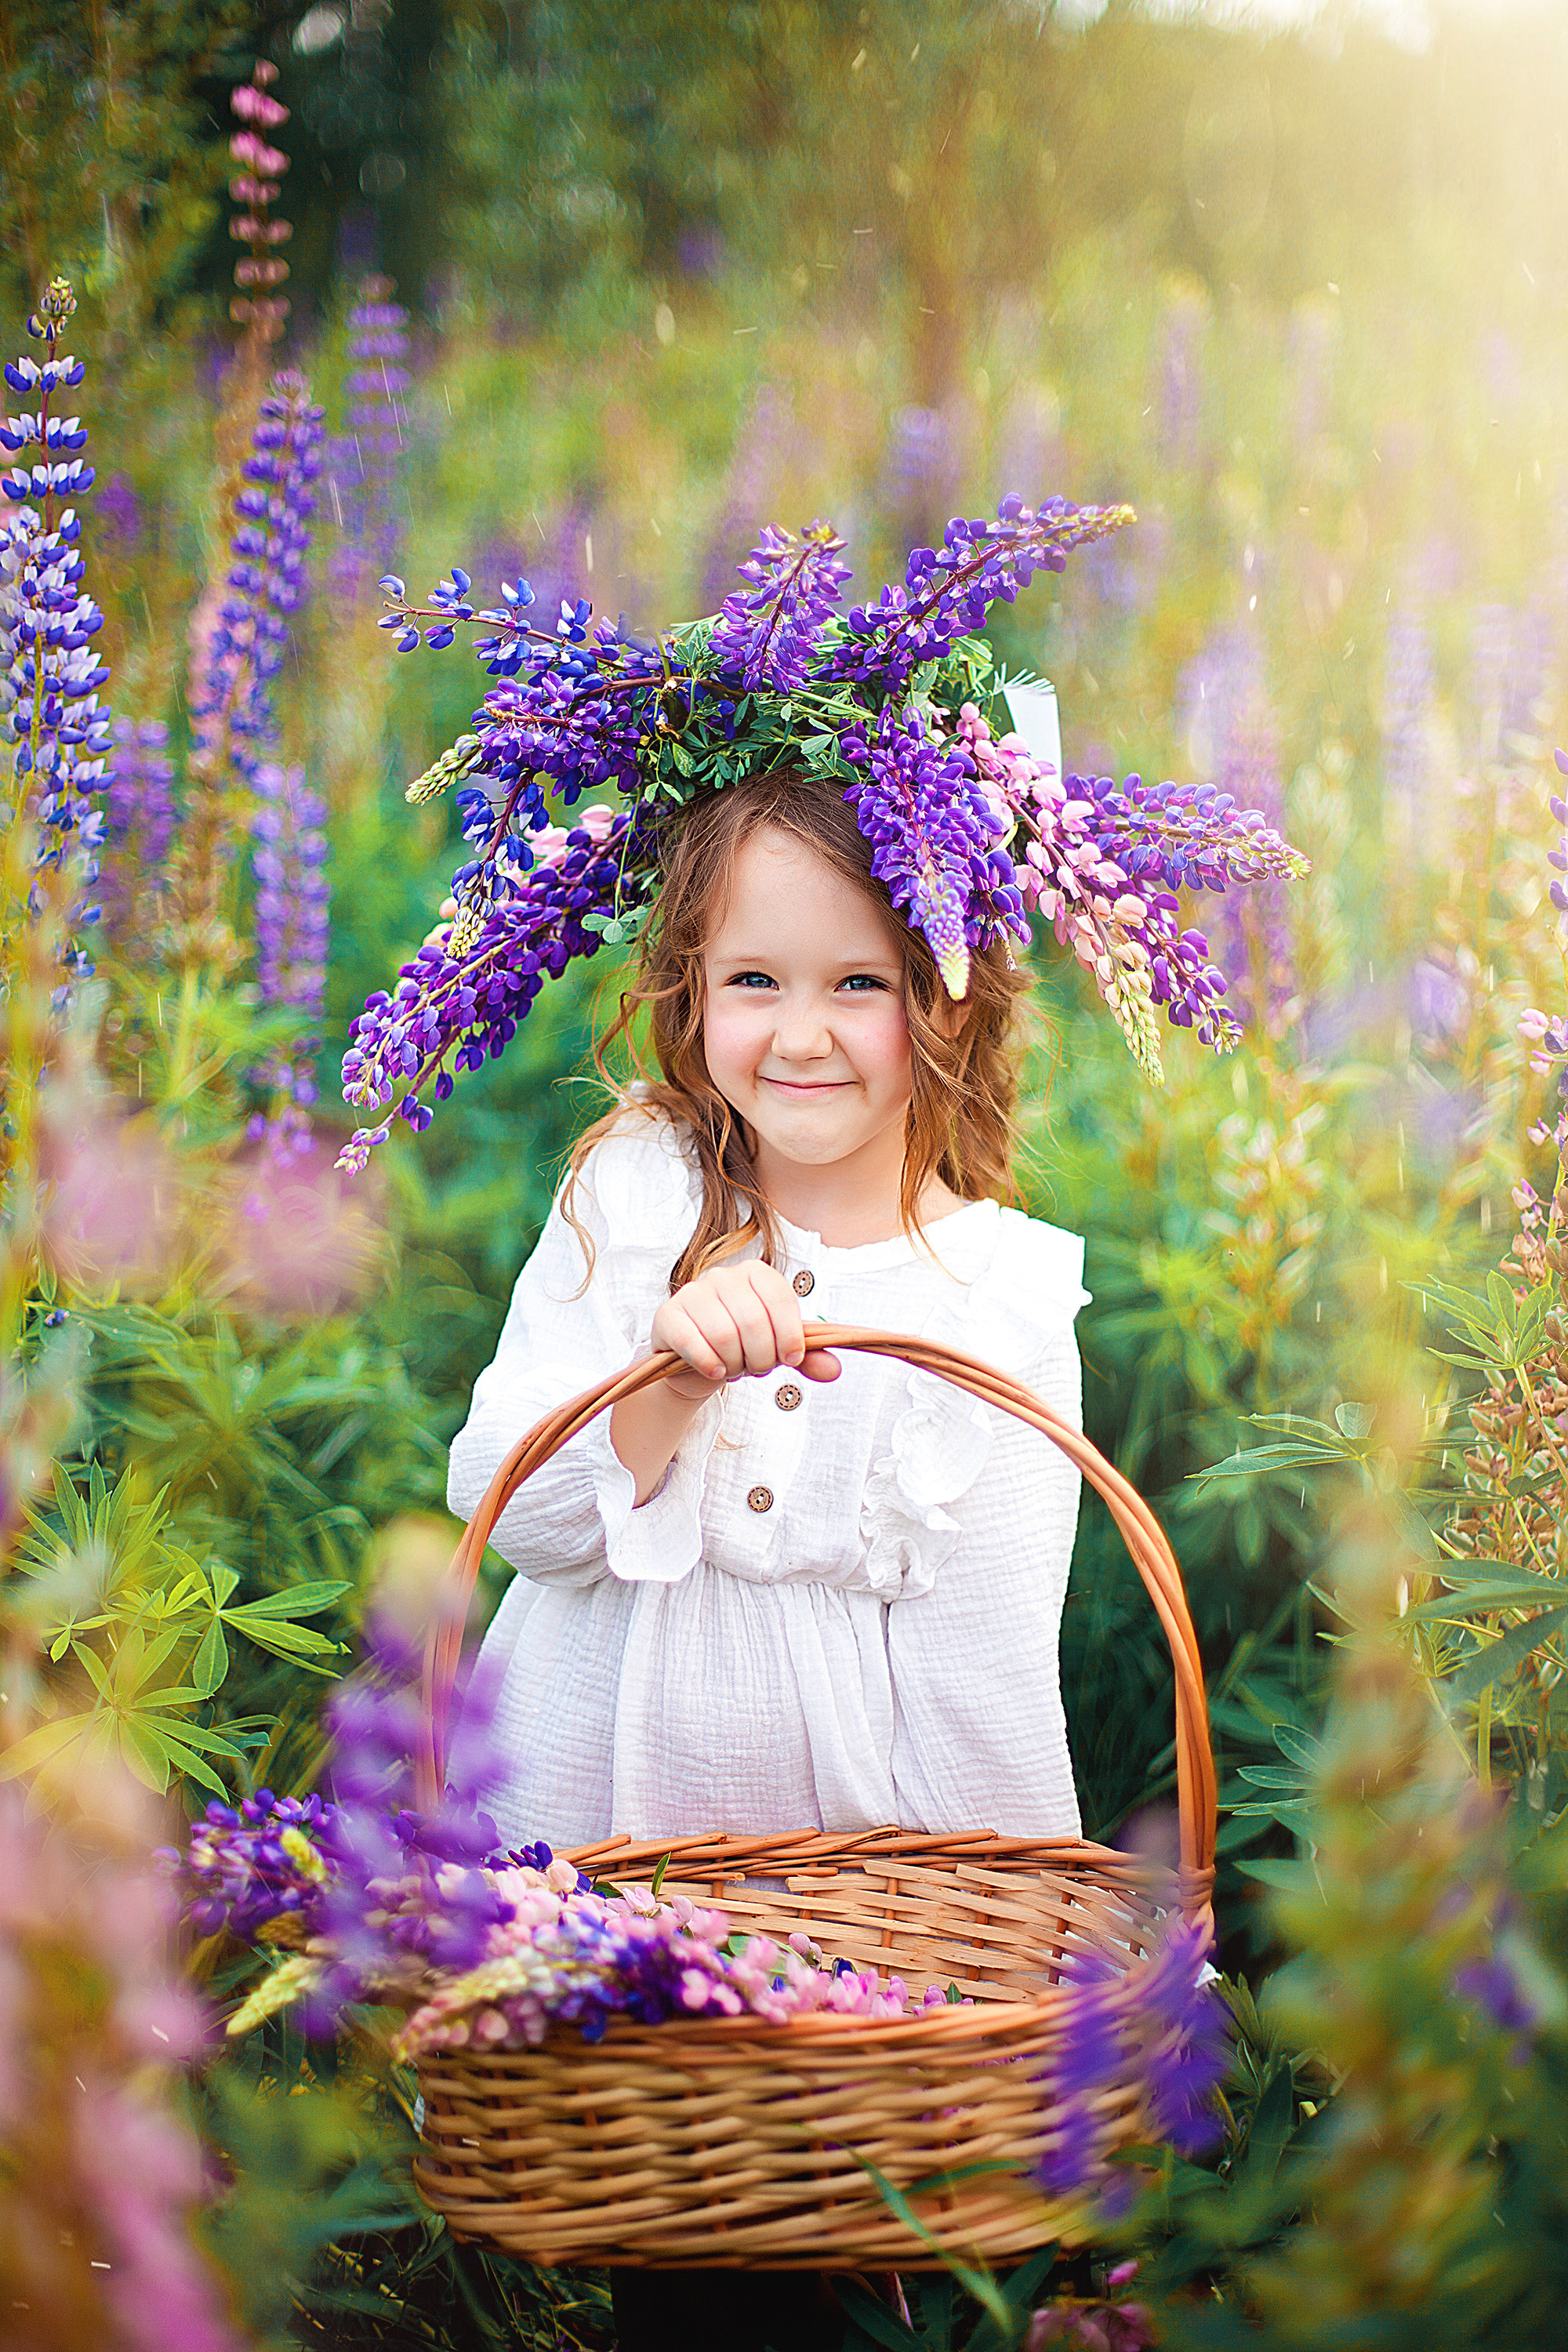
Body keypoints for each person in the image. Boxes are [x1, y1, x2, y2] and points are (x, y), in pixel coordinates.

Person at [447, 762, 1091, 1860]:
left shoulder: (1002, 1304)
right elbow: (510, 1516)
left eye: (858, 984)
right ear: (688, 985)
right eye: (754, 979)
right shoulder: (638, 1188)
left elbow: (991, 1683)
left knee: (767, 2035)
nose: (800, 1036)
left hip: (826, 1889)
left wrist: (1007, 1952)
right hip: (558, 1833)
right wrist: (667, 1389)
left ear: (950, 991)